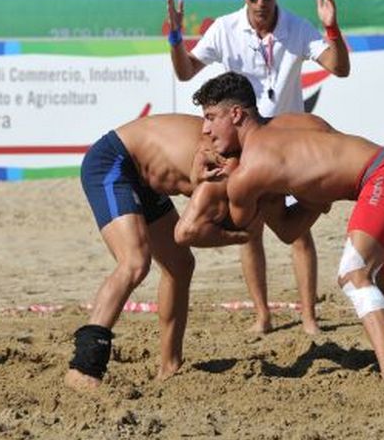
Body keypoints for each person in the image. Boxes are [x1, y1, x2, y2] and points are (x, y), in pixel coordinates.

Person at [192, 73, 384, 383]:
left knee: (355, 275)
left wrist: (200, 178)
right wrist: (314, 201)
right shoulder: (294, 122)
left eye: (210, 117)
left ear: (236, 114)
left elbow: (229, 224)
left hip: (380, 180)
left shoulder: (250, 172)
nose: (205, 129)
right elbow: (290, 228)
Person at [166, 0, 351, 334]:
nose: (261, 2)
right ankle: (262, 316)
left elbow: (339, 67)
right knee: (248, 229)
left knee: (299, 233)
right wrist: (174, 37)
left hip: (286, 145)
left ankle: (309, 319)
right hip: (244, 144)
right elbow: (186, 71)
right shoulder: (225, 28)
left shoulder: (296, 27)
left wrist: (332, 29)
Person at [64, 114, 249, 391]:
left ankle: (170, 366)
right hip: (114, 161)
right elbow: (187, 232)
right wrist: (237, 237)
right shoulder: (226, 166)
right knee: (135, 263)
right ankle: (84, 366)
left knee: (180, 264)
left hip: (143, 177)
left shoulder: (240, 160)